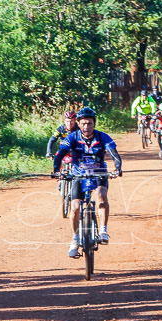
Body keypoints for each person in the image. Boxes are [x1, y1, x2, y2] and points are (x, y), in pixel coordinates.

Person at [51, 107, 123, 257]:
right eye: (83, 124)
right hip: (78, 174)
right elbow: (60, 155)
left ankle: (103, 230)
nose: (86, 127)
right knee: (75, 207)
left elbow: (114, 154)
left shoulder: (103, 137)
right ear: (78, 124)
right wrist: (57, 170)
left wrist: (117, 168)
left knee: (102, 196)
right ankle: (75, 239)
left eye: (89, 123)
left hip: (98, 173)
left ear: (94, 124)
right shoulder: (71, 138)